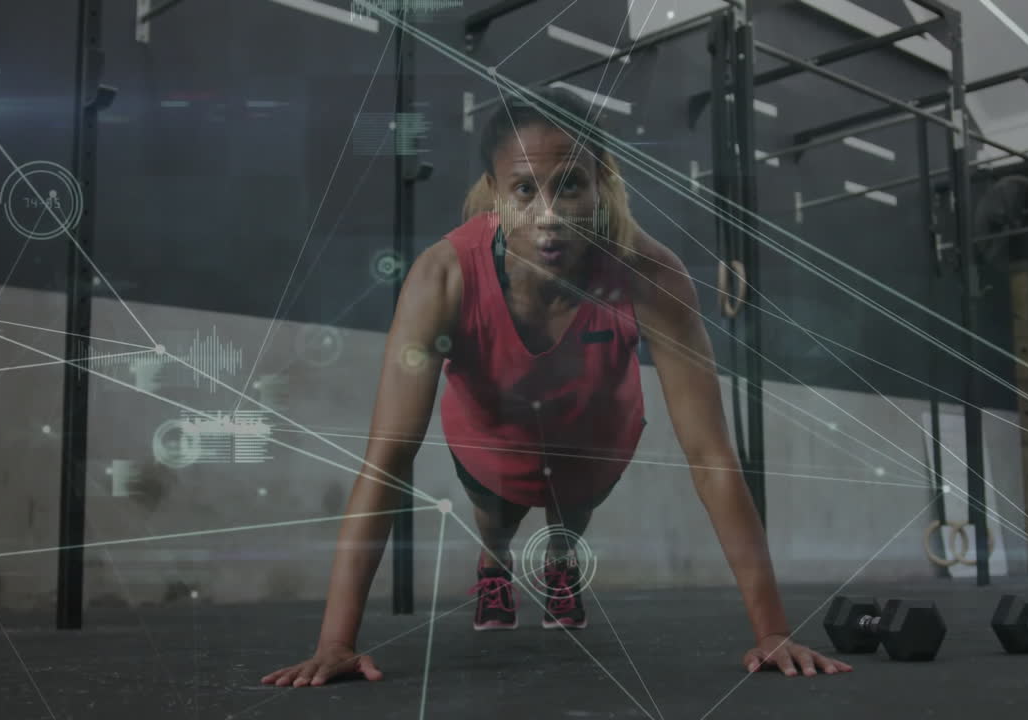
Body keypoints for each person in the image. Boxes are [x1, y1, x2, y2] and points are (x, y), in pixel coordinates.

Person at [261, 88, 851, 688]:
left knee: (571, 520)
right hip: (492, 442)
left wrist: (772, 630)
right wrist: (336, 642)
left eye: (569, 185)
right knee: (495, 518)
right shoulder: (442, 276)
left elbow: (712, 457)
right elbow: (387, 458)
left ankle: (560, 564)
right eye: (524, 191)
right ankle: (494, 564)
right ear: (494, 192)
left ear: (601, 183)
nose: (549, 214)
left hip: (595, 442)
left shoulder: (649, 273)